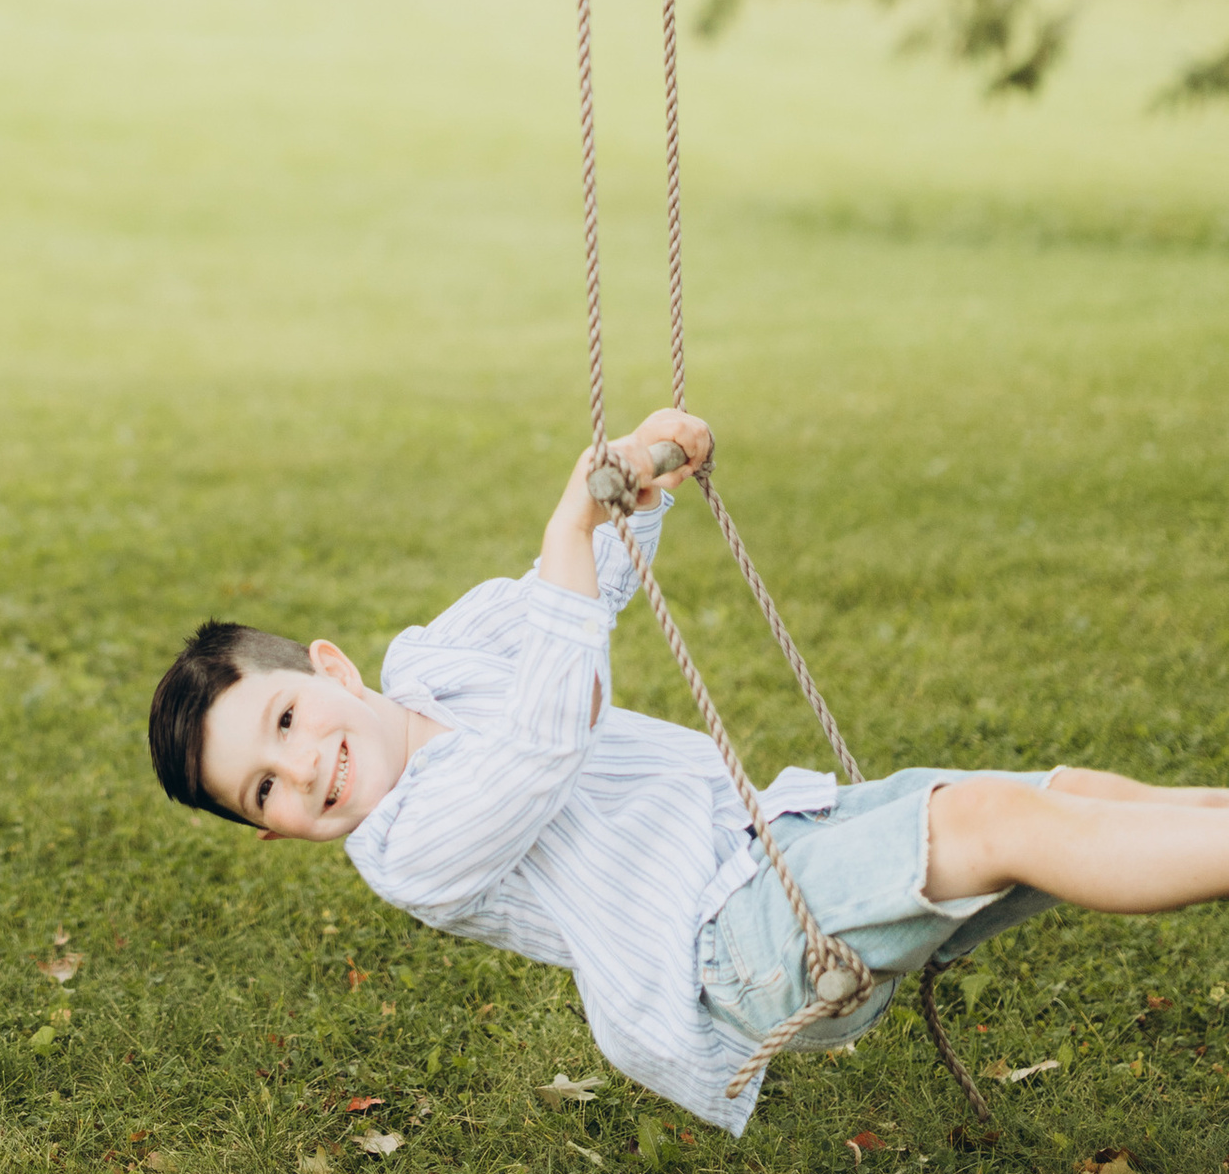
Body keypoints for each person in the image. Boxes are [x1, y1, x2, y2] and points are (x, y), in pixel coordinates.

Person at [146, 411, 1229, 1129]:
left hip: (779, 840)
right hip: (730, 947)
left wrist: (639, 479)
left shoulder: (434, 658)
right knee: (996, 822)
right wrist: (567, 518)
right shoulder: (407, 852)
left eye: (285, 719)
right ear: (271, 830)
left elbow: (578, 588)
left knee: (1069, 797)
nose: (302, 769)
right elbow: (545, 740)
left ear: (330, 668)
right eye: (264, 789)